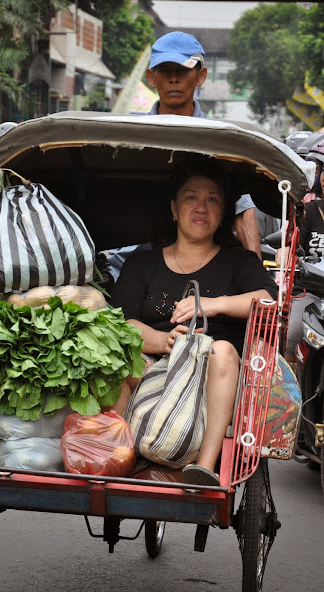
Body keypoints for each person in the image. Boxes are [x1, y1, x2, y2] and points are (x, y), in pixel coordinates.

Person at [111, 158, 277, 486]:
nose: (201, 207)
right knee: (117, 361)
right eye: (191, 198)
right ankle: (115, 454)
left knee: (224, 351)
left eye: (212, 199)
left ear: (222, 212)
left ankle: (205, 466)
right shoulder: (142, 264)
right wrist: (164, 342)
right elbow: (121, 322)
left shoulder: (237, 262)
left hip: (213, 378)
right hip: (152, 370)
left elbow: (268, 299)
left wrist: (215, 305)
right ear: (174, 209)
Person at [105, 32, 261, 280]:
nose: (174, 79)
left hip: (200, 268)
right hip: (127, 266)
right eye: (165, 70)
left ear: (200, 76)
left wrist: (256, 274)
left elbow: (243, 209)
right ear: (151, 78)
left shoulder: (221, 142)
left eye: (183, 70)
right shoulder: (127, 141)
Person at [276, 165, 324, 361]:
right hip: (310, 292)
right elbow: (293, 245)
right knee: (293, 335)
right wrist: (285, 251)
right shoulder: (310, 211)